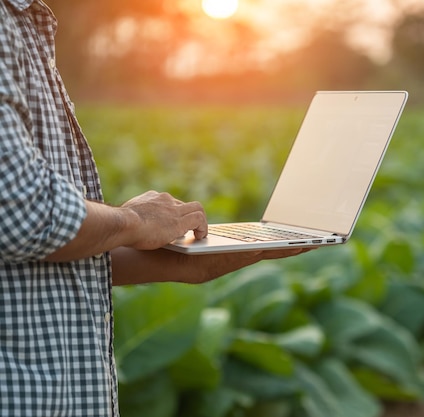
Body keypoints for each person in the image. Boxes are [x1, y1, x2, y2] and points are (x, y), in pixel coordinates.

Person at [0, 1, 307, 415]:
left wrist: (182, 264)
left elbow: (24, 254)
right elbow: (24, 212)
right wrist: (133, 221)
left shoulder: (24, 18)